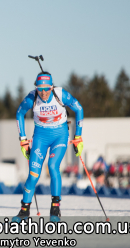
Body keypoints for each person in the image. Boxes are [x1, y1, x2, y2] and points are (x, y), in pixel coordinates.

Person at [13, 71, 83, 222]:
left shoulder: (60, 94)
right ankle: (24, 210)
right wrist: (23, 140)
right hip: (40, 137)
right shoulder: (32, 97)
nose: (43, 92)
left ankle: (55, 208)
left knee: (52, 166)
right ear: (36, 87)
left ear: (51, 87)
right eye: (40, 88)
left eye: (46, 88)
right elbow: (19, 113)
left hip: (60, 135)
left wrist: (78, 136)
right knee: (33, 174)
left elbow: (79, 109)